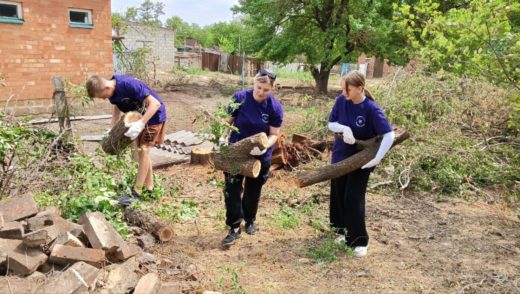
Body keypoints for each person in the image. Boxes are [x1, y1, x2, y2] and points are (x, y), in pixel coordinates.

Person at [328, 70, 394, 257]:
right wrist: (344, 128)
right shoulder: (342, 101)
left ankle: (359, 240)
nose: (344, 93)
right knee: (338, 194)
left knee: (353, 197)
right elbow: (331, 123)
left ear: (360, 89)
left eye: (347, 89)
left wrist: (377, 158)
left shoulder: (371, 109)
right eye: (343, 89)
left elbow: (389, 135)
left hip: (361, 160)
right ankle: (341, 231)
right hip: (341, 156)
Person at [220, 69, 284, 247]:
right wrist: (223, 137)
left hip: (260, 155)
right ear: (253, 83)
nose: (261, 92)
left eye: (266, 89)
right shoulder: (240, 98)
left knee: (253, 190)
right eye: (258, 87)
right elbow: (228, 122)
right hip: (236, 151)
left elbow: (274, 134)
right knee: (232, 189)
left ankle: (249, 220)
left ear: (272, 88)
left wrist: (264, 147)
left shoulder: (275, 108)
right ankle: (234, 226)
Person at [86, 75, 167, 205]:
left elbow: (155, 104)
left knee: (143, 150)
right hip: (139, 118)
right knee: (142, 152)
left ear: (107, 87)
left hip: (153, 117)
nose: (103, 99)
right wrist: (111, 128)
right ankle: (149, 188)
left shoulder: (128, 85)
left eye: (102, 96)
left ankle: (137, 193)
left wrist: (141, 123)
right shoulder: (112, 93)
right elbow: (117, 108)